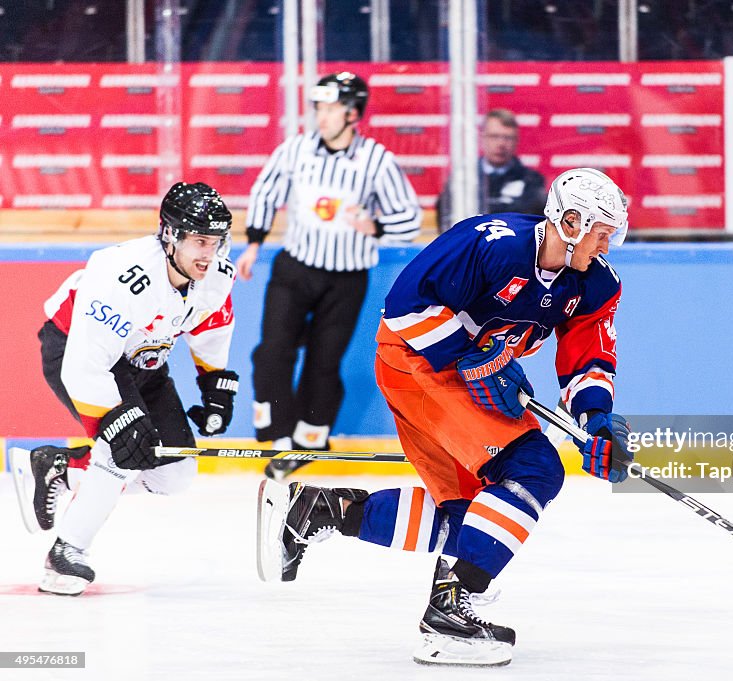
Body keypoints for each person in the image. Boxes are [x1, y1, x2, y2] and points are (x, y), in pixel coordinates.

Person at [256, 168, 634, 666]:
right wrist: (468, 360)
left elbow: (588, 359)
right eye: (601, 233)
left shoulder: (596, 284)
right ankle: (449, 610)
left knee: (473, 522)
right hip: (417, 362)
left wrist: (597, 421)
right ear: (569, 221)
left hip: (468, 371)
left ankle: (318, 511)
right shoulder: (489, 241)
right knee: (534, 469)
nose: (606, 246)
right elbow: (404, 308)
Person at [10, 182, 240, 596]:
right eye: (200, 241)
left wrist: (215, 388)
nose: (210, 253)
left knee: (174, 473)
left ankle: (60, 466)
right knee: (123, 447)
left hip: (141, 360)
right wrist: (118, 420)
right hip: (74, 349)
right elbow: (86, 364)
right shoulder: (121, 275)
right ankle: (65, 553)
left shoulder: (217, 274)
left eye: (217, 241)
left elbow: (211, 325)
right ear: (170, 235)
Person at [237, 71, 421, 480]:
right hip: (295, 267)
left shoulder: (376, 159)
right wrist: (253, 242)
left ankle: (308, 440)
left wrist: (374, 226)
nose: (322, 116)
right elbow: (265, 191)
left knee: (324, 362)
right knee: (272, 352)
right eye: (319, 107)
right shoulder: (296, 150)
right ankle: (277, 437)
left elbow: (409, 216)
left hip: (346, 278)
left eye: (332, 108)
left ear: (353, 113)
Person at [435, 108, 546, 233]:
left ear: (516, 141)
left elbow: (529, 223)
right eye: (494, 136)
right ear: (482, 138)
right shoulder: (463, 178)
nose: (501, 144)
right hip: (470, 247)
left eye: (507, 138)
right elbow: (446, 218)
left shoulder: (531, 180)